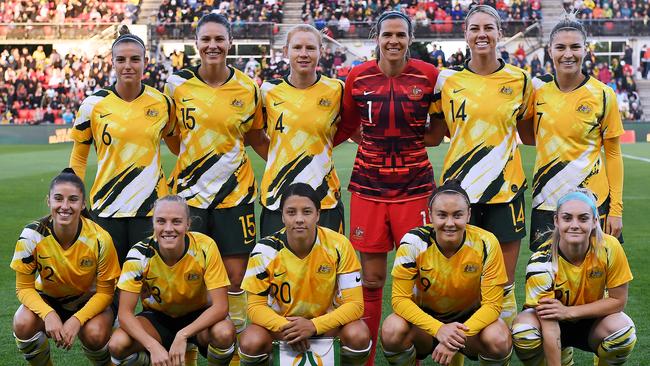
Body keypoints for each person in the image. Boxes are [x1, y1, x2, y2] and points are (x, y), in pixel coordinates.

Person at [332, 11, 439, 363]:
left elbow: (438, 133)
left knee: (421, 280)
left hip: (416, 188)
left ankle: (417, 354)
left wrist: (407, 140)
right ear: (376, 37)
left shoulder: (429, 76)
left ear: (410, 38)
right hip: (368, 187)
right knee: (373, 279)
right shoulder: (357, 77)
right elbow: (347, 125)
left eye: (400, 35)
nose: (393, 40)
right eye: (387, 34)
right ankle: (366, 359)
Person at [428, 4, 534, 327]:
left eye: (489, 28)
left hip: (506, 192)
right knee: (461, 285)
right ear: (465, 34)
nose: (482, 34)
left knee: (502, 284)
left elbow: (529, 135)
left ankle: (499, 351)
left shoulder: (521, 80)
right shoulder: (447, 83)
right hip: (459, 196)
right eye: (475, 28)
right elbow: (435, 134)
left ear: (500, 33)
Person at [164, 12, 268, 332]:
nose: (213, 45)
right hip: (189, 198)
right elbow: (171, 137)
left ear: (230, 43)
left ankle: (232, 349)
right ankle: (193, 349)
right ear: (196, 44)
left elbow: (254, 136)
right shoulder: (177, 84)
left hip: (235, 195)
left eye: (219, 39)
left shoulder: (248, 87)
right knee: (192, 277)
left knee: (235, 276)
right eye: (206, 40)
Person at [69, 25, 176, 265]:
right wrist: (74, 197)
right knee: (110, 288)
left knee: (151, 287)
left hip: (150, 210)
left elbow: (178, 146)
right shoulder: (92, 105)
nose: (128, 65)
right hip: (107, 208)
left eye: (135, 59)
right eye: (122, 59)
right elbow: (78, 157)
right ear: (113, 62)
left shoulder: (163, 104)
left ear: (145, 62)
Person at [522, 12, 625, 253]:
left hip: (593, 203)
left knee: (597, 280)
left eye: (575, 47)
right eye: (561, 47)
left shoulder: (602, 94)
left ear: (586, 49)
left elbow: (613, 154)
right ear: (550, 51)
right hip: (547, 202)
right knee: (545, 279)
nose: (568, 54)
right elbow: (529, 137)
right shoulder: (537, 92)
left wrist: (616, 210)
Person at [380, 179, 512, 366]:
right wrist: (438, 329)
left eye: (457, 215)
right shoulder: (413, 242)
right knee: (392, 329)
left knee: (498, 337)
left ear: (468, 215)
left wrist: (454, 337)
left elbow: (492, 305)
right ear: (430, 216)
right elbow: (399, 299)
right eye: (442, 215)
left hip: (470, 325)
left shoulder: (486, 243)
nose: (450, 223)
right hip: (425, 325)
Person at [238, 183, 372, 366]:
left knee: (359, 335)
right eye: (291, 212)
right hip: (281, 328)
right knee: (250, 341)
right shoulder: (264, 250)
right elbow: (254, 308)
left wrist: (313, 326)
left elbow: (355, 305)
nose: (299, 219)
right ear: (282, 216)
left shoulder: (339, 245)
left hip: (327, 326)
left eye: (307, 212)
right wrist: (289, 328)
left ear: (318, 214)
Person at [512, 189, 636, 365]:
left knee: (623, 333)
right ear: (556, 220)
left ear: (594, 221)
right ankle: (561, 358)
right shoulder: (541, 262)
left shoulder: (609, 247)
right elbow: (549, 322)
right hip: (552, 324)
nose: (575, 225)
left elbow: (618, 301)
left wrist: (568, 312)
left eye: (583, 218)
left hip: (593, 321)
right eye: (567, 218)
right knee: (524, 332)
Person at [108, 195, 236, 365]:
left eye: (176, 221)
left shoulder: (205, 246)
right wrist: (152, 345)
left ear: (187, 224)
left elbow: (221, 306)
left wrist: (183, 334)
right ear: (153, 223)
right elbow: (124, 314)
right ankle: (152, 361)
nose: (168, 228)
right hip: (158, 319)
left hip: (199, 317)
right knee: (117, 344)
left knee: (224, 332)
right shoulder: (139, 254)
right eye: (161, 221)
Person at [11, 168, 121, 365]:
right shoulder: (31, 236)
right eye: (58, 198)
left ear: (83, 204)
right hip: (50, 300)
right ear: (49, 201)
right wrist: (49, 314)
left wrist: (77, 320)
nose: (65, 206)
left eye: (73, 199)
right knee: (22, 322)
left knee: (95, 334)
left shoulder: (100, 239)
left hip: (89, 302)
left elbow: (105, 293)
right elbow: (23, 288)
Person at [258, 24, 345, 238]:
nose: (304, 54)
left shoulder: (337, 90)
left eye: (310, 48)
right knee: (277, 268)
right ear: (286, 51)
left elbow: (353, 131)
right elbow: (255, 136)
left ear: (321, 51)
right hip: (277, 197)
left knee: (326, 268)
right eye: (297, 48)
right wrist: (282, 161)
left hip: (324, 198)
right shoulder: (267, 91)